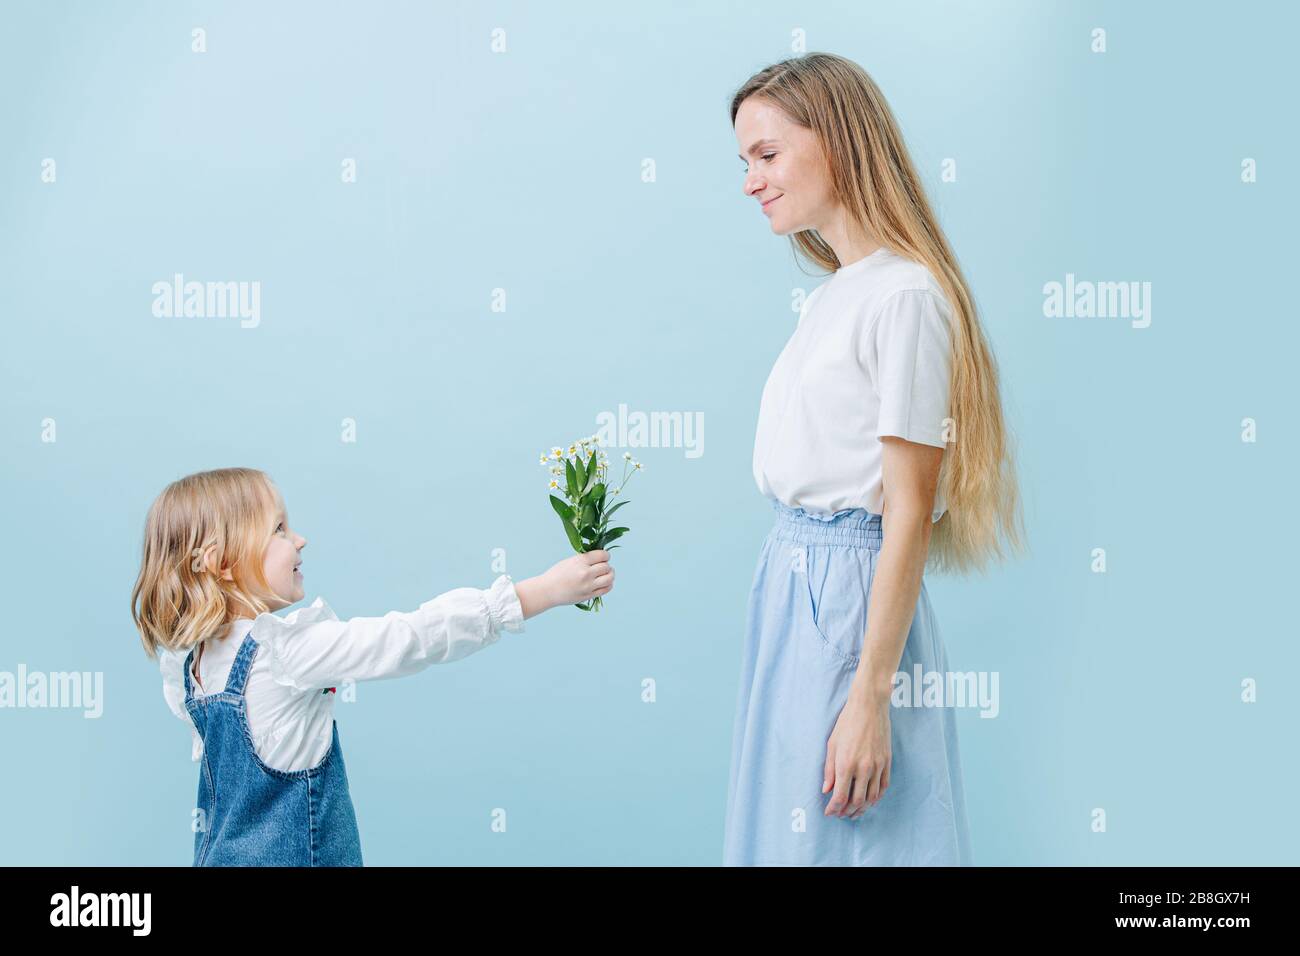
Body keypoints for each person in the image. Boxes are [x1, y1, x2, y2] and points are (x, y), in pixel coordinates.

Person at [724, 52, 1025, 866]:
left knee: (858, 839)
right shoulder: (834, 295)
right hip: (790, 590)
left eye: (768, 154)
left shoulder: (904, 298)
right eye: (745, 161)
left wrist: (869, 698)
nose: (751, 180)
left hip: (849, 604)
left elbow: (907, 513)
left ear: (841, 142)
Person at [132, 466, 613, 865]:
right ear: (221, 564)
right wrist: (537, 594)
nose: (299, 539)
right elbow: (410, 637)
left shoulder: (192, 668)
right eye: (278, 528)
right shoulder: (285, 652)